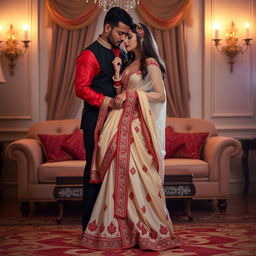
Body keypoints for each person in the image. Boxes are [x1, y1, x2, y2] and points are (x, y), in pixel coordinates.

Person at [81, 23, 182, 251]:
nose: (125, 41)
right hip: (119, 124)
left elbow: (159, 95)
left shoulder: (150, 64)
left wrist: (132, 94)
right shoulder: (128, 64)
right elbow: (120, 96)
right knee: (118, 173)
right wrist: (118, 75)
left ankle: (145, 228)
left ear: (141, 38)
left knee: (138, 174)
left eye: (129, 37)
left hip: (136, 128)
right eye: (124, 37)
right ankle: (120, 229)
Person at [75, 7, 133, 233]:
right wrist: (107, 101)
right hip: (95, 122)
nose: (123, 38)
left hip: (117, 122)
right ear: (107, 28)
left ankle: (111, 225)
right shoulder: (89, 54)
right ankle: (88, 226)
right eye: (120, 33)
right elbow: (81, 89)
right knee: (94, 171)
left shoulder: (119, 52)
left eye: (126, 34)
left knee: (115, 173)